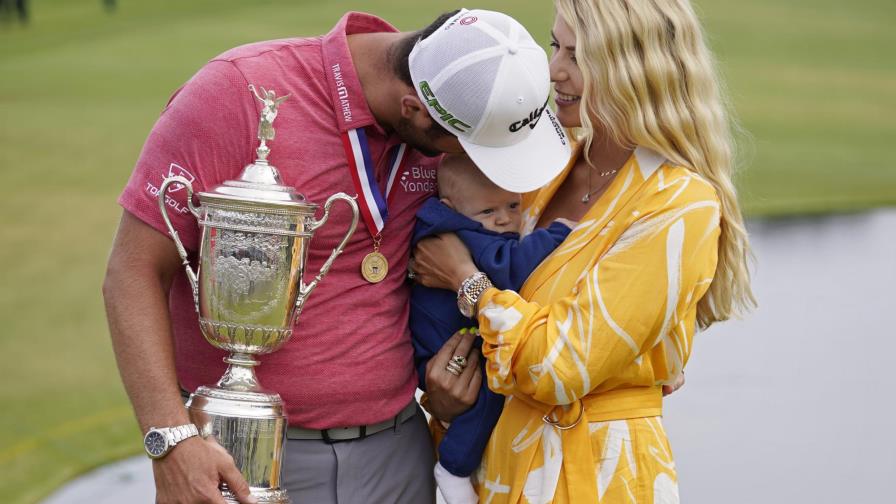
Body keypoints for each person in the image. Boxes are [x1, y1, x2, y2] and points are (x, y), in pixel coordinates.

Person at [102, 8, 570, 504]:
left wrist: (444, 392)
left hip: (402, 449)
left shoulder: (454, 108)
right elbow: (133, 271)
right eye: (473, 148)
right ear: (414, 110)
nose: (481, 164)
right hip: (247, 456)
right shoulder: (240, 92)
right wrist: (170, 440)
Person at [413, 0, 756, 502]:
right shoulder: (543, 169)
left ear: (635, 69)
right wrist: (445, 396)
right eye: (556, 46)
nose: (554, 70)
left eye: (578, 56)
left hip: (594, 473)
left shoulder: (679, 204)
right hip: (491, 464)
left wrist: (468, 283)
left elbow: (557, 366)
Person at [409, 154, 573, 503]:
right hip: (446, 349)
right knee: (492, 391)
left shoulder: (456, 223)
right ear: (450, 207)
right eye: (488, 212)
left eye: (513, 205)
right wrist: (559, 233)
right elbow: (508, 267)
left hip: (442, 340)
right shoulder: (465, 235)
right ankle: (453, 467)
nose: (504, 219)